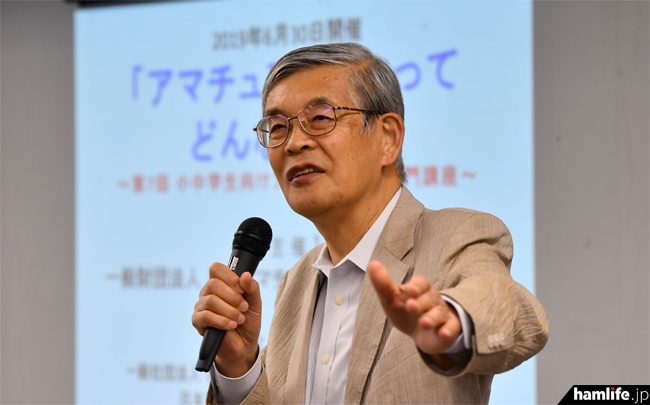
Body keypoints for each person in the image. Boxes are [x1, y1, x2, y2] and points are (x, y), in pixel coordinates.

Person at [192, 42, 549, 404]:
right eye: (278, 126)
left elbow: (513, 309)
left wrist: (453, 321)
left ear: (388, 138)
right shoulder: (295, 283)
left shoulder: (456, 237)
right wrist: (238, 366)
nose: (294, 143)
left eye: (320, 118)